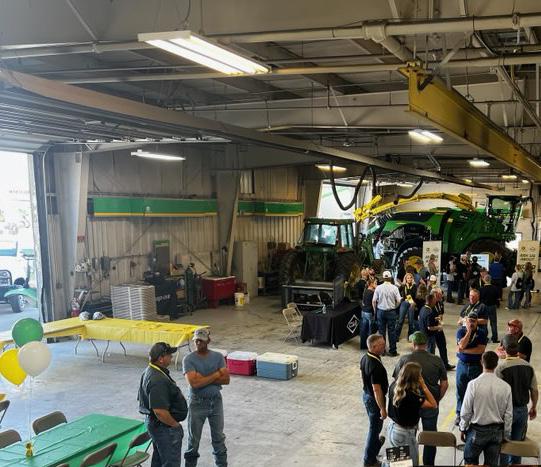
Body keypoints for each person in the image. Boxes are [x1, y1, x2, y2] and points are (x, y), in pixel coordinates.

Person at [393, 331, 448, 466]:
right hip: (429, 405)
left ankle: (401, 463)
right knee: (430, 437)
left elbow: (396, 382)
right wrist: (436, 399)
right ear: (426, 344)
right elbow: (445, 384)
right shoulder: (436, 360)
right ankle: (429, 464)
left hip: (409, 408)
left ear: (413, 343)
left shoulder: (404, 360)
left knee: (406, 440)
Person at [183, 329, 230, 467]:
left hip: (216, 401)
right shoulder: (188, 359)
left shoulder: (218, 357)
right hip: (197, 403)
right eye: (196, 340)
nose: (198, 343)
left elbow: (226, 379)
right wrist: (216, 374)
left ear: (208, 341)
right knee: (193, 441)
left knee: (219, 438)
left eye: (201, 341)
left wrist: (202, 378)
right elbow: (194, 383)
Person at [138, 342, 188, 467]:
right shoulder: (157, 379)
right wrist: (175, 425)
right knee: (170, 462)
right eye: (169, 355)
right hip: (163, 427)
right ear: (161, 358)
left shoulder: (150, 371)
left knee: (160, 460)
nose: (171, 357)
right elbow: (159, 411)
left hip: (157, 425)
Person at [459, 351, 513, 467]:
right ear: (496, 364)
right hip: (496, 432)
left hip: (476, 432)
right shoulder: (506, 387)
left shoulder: (473, 385)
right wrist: (506, 435)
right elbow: (508, 415)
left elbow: (466, 411)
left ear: (481, 362)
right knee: (492, 464)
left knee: (470, 463)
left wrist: (463, 428)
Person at [495, 334, 538, 465]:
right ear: (517, 348)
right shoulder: (528, 366)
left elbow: (497, 394)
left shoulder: (500, 368)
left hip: (506, 412)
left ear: (503, 349)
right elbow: (534, 390)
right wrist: (533, 407)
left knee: (504, 445)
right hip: (522, 411)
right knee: (517, 445)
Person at [387, 362, 437, 466]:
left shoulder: (394, 386)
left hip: (393, 429)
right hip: (404, 434)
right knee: (412, 463)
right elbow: (433, 404)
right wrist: (424, 386)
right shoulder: (411, 396)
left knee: (398, 464)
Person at [455, 311, 488, 426]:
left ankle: (473, 414)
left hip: (476, 366)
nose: (472, 323)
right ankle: (459, 414)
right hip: (462, 365)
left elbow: (480, 350)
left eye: (474, 321)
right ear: (466, 321)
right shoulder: (461, 331)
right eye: (470, 321)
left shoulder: (481, 333)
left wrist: (464, 351)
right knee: (460, 390)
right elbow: (461, 345)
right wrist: (469, 332)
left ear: (477, 322)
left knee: (475, 391)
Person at [360, 334, 388, 467]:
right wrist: (382, 408)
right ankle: (369, 459)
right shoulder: (375, 366)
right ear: (374, 346)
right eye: (382, 345)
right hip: (374, 400)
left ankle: (376, 444)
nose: (384, 346)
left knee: (376, 426)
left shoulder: (365, 357)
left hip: (367, 396)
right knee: (374, 428)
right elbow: (376, 389)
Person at [372, 271, 402, 357]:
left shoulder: (378, 288)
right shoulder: (394, 288)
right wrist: (395, 306)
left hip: (380, 311)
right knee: (392, 331)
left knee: (381, 332)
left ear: (383, 278)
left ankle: (382, 351)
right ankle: (393, 351)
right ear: (390, 278)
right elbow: (399, 300)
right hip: (391, 311)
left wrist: (375, 310)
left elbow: (374, 301)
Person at [431, 288, 455, 371]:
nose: (441, 296)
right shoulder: (430, 303)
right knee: (431, 348)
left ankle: (445, 364)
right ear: (434, 295)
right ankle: (431, 366)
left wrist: (440, 322)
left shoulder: (440, 303)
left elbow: (441, 314)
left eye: (441, 295)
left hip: (439, 328)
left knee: (443, 346)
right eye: (439, 295)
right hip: (432, 329)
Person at [396, 273, 417, 340]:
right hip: (404, 303)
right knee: (400, 320)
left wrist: (413, 302)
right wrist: (400, 298)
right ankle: (396, 336)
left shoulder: (415, 286)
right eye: (408, 278)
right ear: (405, 279)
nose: (409, 279)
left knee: (411, 321)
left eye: (411, 278)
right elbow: (397, 293)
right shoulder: (403, 286)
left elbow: (413, 295)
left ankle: (410, 336)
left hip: (412, 304)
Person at [480, 274, 500, 343]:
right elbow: (498, 298)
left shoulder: (481, 289)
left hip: (484, 307)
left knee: (484, 323)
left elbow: (479, 299)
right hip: (492, 306)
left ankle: (484, 338)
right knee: (493, 323)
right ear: (490, 280)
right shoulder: (495, 288)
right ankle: (494, 338)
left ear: (484, 280)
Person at [361, 278, 378, 350]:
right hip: (369, 312)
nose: (376, 285)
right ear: (371, 284)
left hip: (363, 311)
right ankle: (370, 346)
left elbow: (363, 301)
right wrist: (375, 311)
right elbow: (373, 302)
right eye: (375, 283)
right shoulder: (372, 292)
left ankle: (363, 345)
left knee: (364, 329)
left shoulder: (365, 291)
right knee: (370, 330)